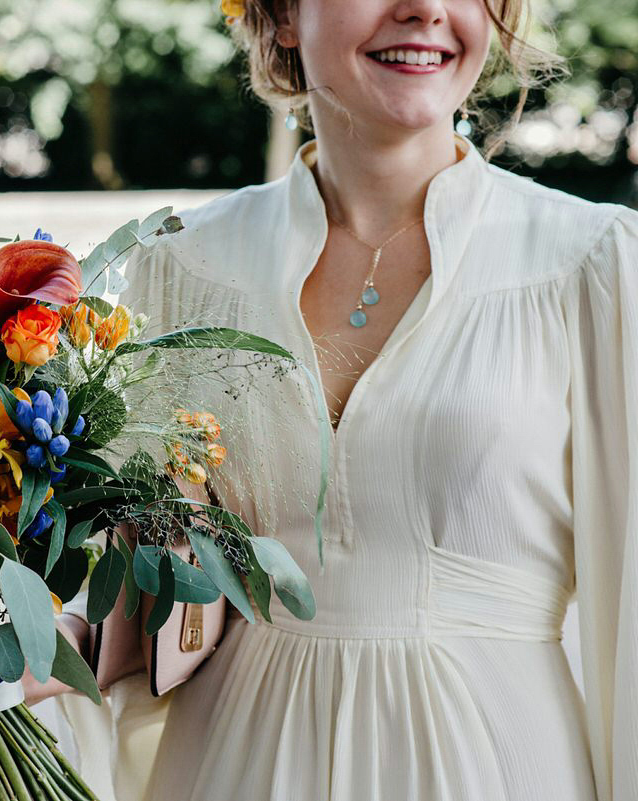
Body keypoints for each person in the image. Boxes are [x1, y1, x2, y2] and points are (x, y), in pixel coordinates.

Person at [46, 1, 638, 799]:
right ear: (283, 16)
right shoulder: (179, 266)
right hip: (235, 758)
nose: (424, 8)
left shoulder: (592, 265)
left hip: (493, 761)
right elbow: (149, 579)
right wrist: (45, 633)